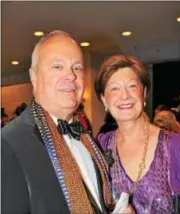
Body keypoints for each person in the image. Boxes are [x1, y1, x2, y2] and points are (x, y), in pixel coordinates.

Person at [2, 30, 134, 214]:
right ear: (34, 76)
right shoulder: (8, 145)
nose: (71, 76)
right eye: (57, 67)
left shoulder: (85, 138)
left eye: (77, 67)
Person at [95, 55, 180, 214]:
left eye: (132, 86)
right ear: (104, 100)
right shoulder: (100, 146)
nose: (124, 96)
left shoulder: (176, 146)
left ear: (144, 93)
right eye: (114, 88)